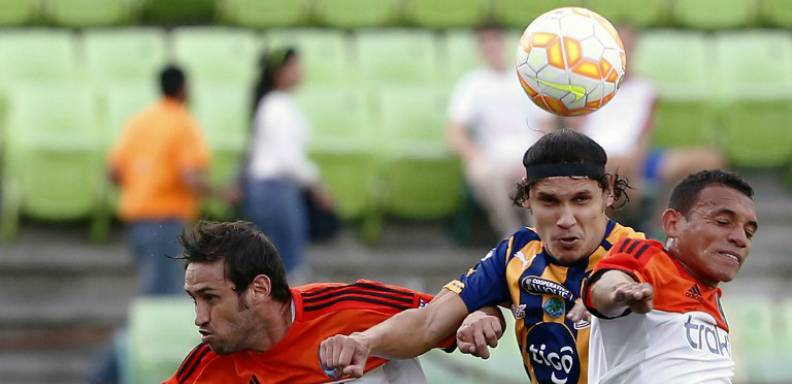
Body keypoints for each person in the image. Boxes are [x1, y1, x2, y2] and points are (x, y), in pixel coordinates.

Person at [320, 129, 645, 383]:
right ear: (526, 199)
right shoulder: (516, 255)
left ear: (607, 193)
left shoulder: (642, 255)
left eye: (581, 200)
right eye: (549, 201)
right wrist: (365, 341)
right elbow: (428, 322)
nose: (565, 218)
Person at [164, 220, 452, 383]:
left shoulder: (350, 307)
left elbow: (454, 310)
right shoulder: (207, 366)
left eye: (211, 298)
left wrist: (478, 316)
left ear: (259, 289)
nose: (199, 318)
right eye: (195, 300)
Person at [93, 66, 228, 383]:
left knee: (155, 302)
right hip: (166, 222)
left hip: (137, 222)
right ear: (183, 89)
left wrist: (143, 181)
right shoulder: (183, 123)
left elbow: (113, 172)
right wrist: (225, 193)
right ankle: (108, 374)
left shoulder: (138, 121)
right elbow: (189, 177)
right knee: (158, 306)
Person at [583, 170, 757, 383]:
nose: (740, 239)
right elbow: (606, 286)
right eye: (722, 221)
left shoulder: (713, 299)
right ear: (673, 223)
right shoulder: (649, 257)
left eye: (749, 232)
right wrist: (621, 291)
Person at [566, 25, 724, 229]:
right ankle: (606, 233)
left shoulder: (647, 88)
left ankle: (664, 225)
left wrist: (637, 166)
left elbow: (645, 134)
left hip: (637, 159)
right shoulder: (586, 85)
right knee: (614, 170)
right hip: (600, 158)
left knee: (709, 159)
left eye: (628, 47)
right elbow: (576, 134)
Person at [446, 24, 555, 238]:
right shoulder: (473, 84)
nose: (491, 47)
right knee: (481, 171)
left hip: (530, 156)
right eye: (485, 42)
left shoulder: (529, 78)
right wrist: (476, 156)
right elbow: (454, 132)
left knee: (544, 173)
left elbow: (546, 127)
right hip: (494, 160)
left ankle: (542, 237)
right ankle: (510, 235)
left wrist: (534, 160)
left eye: (495, 40)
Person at [243, 47, 333, 281]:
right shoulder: (278, 107)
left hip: (271, 190)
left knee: (276, 262)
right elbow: (288, 159)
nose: (300, 71)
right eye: (293, 66)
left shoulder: (274, 104)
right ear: (279, 73)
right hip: (277, 190)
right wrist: (316, 183)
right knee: (286, 266)